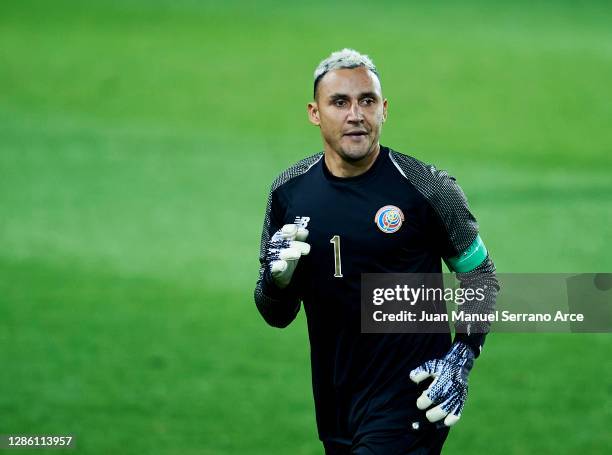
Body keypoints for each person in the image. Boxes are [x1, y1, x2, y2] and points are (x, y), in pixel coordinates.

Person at [254, 48, 499, 454]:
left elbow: (480, 274)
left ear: (383, 110)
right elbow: (275, 314)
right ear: (315, 113)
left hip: (412, 399)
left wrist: (461, 357)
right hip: (336, 403)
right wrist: (276, 281)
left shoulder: (427, 188)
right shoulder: (289, 194)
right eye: (340, 102)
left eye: (367, 101)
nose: (356, 114)